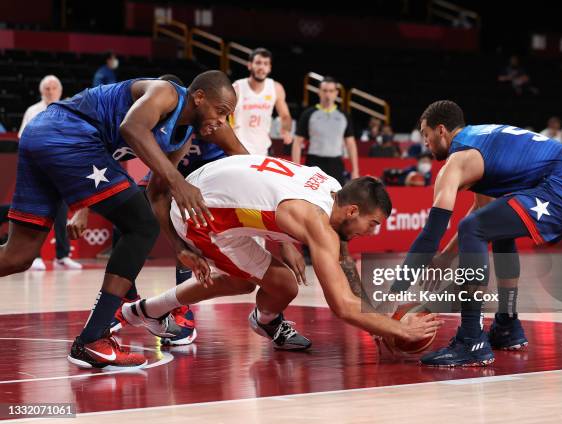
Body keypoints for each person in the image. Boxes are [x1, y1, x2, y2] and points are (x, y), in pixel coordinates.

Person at [0, 71, 237, 369]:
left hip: (43, 135)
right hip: (67, 132)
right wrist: (180, 182)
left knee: (17, 255)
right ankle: (93, 339)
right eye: (220, 111)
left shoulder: (183, 136)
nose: (221, 121)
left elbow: (157, 194)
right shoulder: (167, 92)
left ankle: (100, 330)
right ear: (199, 97)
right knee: (140, 225)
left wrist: (179, 247)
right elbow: (132, 127)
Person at [118, 155, 442, 350]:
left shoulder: (332, 189)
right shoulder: (317, 222)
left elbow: (343, 260)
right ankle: (149, 311)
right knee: (258, 283)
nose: (373, 232)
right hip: (200, 213)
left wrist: (376, 321)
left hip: (214, 189)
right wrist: (397, 328)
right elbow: (341, 306)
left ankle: (147, 311)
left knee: (277, 282)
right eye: (372, 224)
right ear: (353, 211)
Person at [391, 100, 562, 366]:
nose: (425, 142)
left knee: (473, 228)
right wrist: (445, 258)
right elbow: (482, 214)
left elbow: (431, 234)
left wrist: (393, 294)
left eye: (426, 134)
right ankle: (507, 326)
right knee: (492, 227)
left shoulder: (459, 159)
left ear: (441, 130)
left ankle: (471, 340)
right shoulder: (483, 142)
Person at [108, 74, 249, 346]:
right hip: (172, 175)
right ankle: (126, 298)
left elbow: (243, 157)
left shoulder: (213, 123)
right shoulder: (159, 121)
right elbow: (148, 176)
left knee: (188, 223)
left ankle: (181, 307)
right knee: (128, 216)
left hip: (206, 178)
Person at [17, 75, 82, 271]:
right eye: (47, 87)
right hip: (37, 171)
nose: (50, 91)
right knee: (34, 214)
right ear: (41, 90)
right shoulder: (33, 111)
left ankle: (62, 256)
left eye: (54, 87)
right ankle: (34, 256)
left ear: (60, 91)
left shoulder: (68, 109)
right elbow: (22, 138)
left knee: (61, 215)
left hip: (60, 170)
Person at [292, 76, 359, 185]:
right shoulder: (308, 114)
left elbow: (351, 144)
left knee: (336, 199)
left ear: (336, 93)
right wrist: (296, 168)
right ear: (319, 92)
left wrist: (355, 170)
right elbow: (297, 142)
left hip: (336, 163)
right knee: (312, 199)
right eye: (325, 91)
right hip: (314, 162)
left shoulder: (343, 115)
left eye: (331, 91)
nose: (328, 94)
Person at [232, 48, 293, 155]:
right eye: (258, 63)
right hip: (239, 147)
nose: (261, 67)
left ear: (269, 68)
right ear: (250, 65)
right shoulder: (237, 87)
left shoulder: (276, 88)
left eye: (265, 64)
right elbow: (227, 116)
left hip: (263, 149)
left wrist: (286, 130)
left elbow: (285, 116)